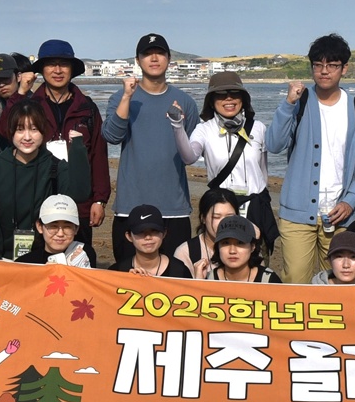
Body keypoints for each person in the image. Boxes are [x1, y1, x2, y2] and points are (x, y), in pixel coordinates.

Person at [266, 34, 355, 285]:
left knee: (340, 283)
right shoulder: (299, 104)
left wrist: (350, 202)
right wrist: (287, 104)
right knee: (296, 283)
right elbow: (274, 144)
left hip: (341, 216)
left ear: (344, 68)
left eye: (332, 65)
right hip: (297, 214)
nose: (324, 71)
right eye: (318, 65)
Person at [103, 33, 200, 263]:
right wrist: (127, 97)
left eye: (160, 53)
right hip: (130, 206)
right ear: (138, 60)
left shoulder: (185, 102)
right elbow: (111, 136)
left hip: (174, 208)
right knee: (129, 282)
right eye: (147, 54)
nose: (154, 58)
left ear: (168, 58)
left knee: (175, 282)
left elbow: (192, 154)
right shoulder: (121, 97)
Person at [0, 39, 111, 239]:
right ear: (42, 69)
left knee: (79, 260)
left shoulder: (87, 108)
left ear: (72, 69)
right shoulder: (30, 105)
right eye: (51, 64)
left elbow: (98, 156)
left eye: (64, 64)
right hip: (38, 197)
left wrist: (99, 200)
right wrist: (21, 93)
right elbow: (4, 131)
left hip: (78, 202)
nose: (57, 70)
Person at [0, 99, 91, 261]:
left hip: (46, 258)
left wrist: (78, 148)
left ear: (43, 131)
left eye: (34, 129)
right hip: (3, 260)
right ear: (11, 132)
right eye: (20, 129)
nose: (27, 137)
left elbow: (80, 193)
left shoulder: (55, 167)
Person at [174, 71, 274, 248]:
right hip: (221, 209)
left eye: (234, 93)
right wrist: (177, 126)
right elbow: (189, 157)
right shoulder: (203, 129)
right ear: (211, 101)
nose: (229, 99)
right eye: (221, 94)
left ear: (243, 99)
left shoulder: (258, 128)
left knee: (254, 265)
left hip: (254, 207)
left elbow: (262, 171)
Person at [174, 188, 244, 276]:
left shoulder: (247, 249)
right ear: (203, 218)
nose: (223, 223)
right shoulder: (186, 252)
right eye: (216, 217)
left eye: (229, 217)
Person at [111, 204, 193, 278]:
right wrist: (127, 281)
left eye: (154, 231)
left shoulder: (179, 271)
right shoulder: (117, 272)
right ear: (129, 236)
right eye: (140, 232)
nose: (148, 237)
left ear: (164, 233)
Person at [16, 195, 94, 266]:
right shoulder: (25, 263)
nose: (60, 234)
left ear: (76, 228)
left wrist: (84, 268)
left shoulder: (84, 255)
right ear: (40, 227)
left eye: (67, 227)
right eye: (53, 226)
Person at [204, 215, 280, 283]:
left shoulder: (268, 280)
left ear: (252, 246)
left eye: (240, 243)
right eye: (226, 243)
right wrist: (198, 282)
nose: (232, 251)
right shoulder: (209, 280)